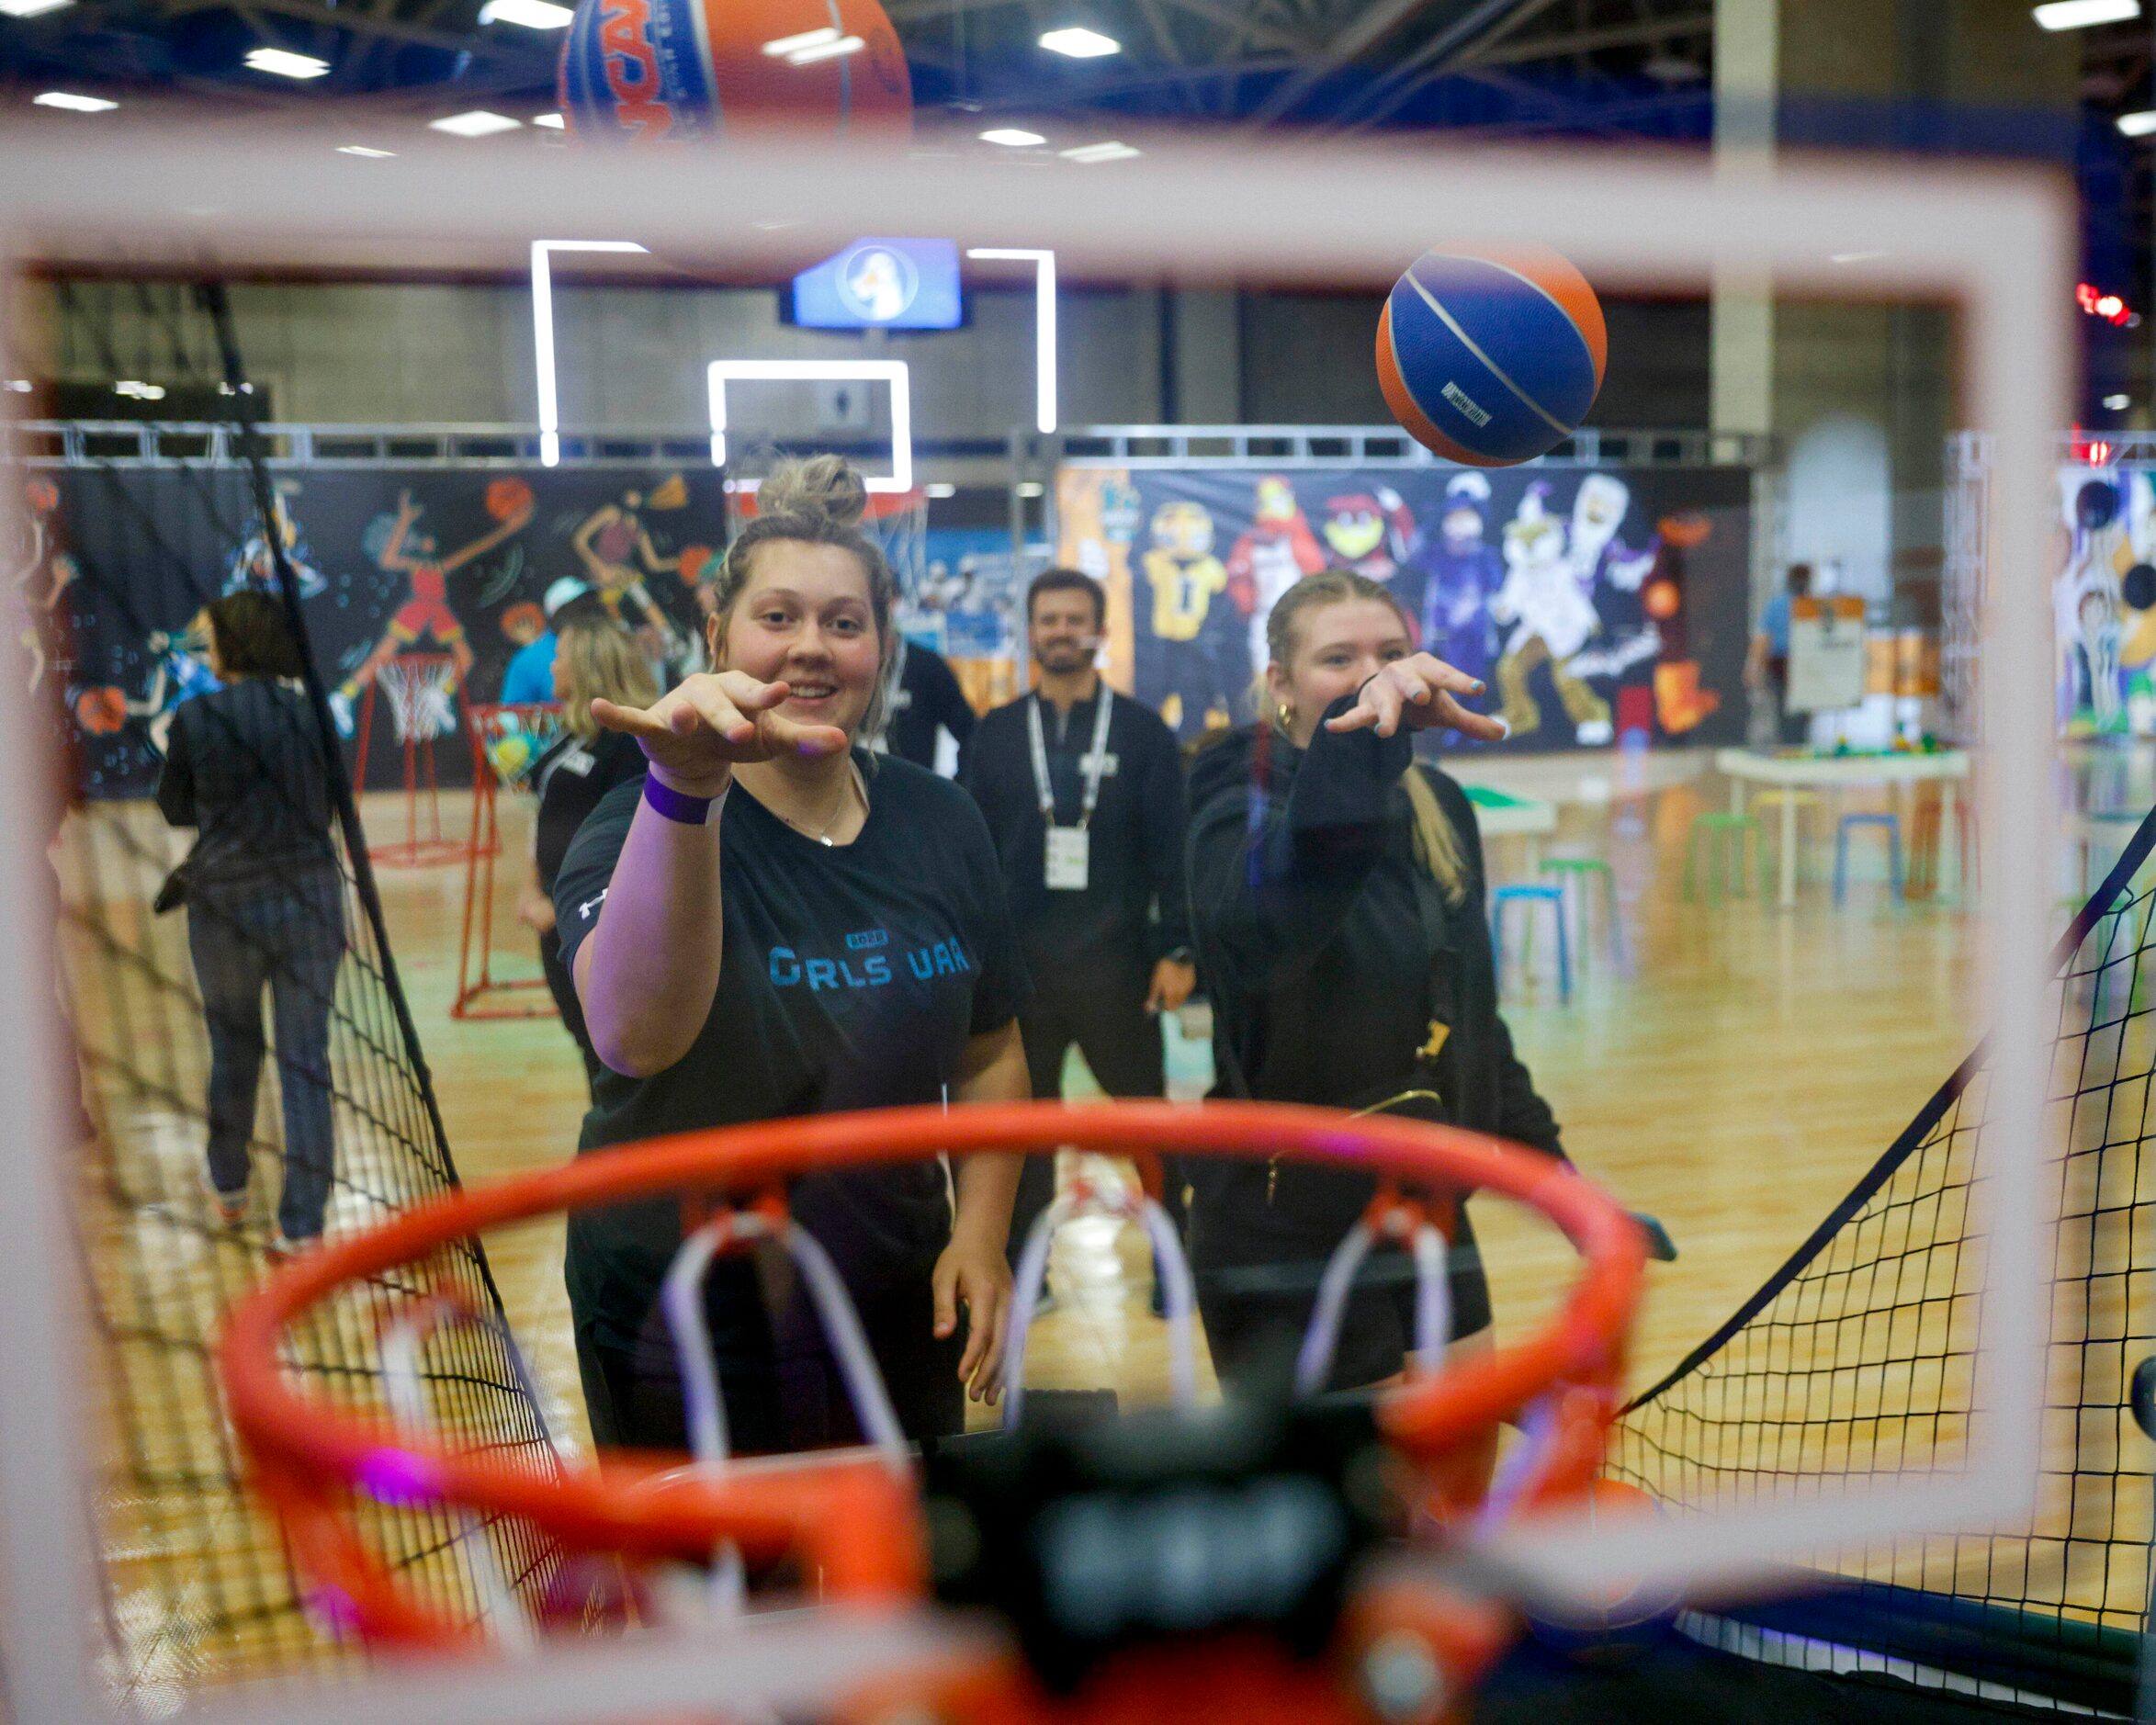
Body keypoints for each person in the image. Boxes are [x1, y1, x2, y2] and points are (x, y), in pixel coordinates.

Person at [552, 455, 1028, 1457]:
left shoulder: (942, 821)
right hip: (682, 1315)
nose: (811, 650)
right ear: (716, 634)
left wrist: (979, 1235)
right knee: (727, 1613)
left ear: (881, 649)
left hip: (892, 1301)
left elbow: (990, 1053)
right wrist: (684, 789)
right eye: (778, 618)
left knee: (896, 1596)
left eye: (844, 624)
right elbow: (634, 1038)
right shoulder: (629, 823)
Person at [1183, 569, 1566, 1404]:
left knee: (1454, 1492)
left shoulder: (1438, 804)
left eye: (1390, 654)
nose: (1373, 677)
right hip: (1287, 1218)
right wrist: (1352, 747)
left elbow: (1471, 1020)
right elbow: (1265, 933)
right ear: (1279, 685)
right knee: (1360, 1518)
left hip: (1423, 1199)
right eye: (1338, 660)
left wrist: (1557, 1177)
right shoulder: (1233, 785)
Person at [961, 569, 1194, 1270]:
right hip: (1018, 971)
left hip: (1117, 968)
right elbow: (969, 855)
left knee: (1144, 1122)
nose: (1061, 631)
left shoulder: (1142, 732)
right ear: (1030, 633)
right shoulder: (996, 734)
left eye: (1074, 619)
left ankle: (1173, 1260)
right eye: (1049, 620)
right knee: (1022, 1134)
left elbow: (1173, 850)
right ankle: (1025, 1270)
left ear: (1099, 631)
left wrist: (1178, 948)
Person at [156, 591, 344, 1254]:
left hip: (225, 907)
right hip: (312, 903)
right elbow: (331, 806)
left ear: (232, 646)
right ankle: (303, 1227)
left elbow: (175, 810)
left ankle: (229, 1184)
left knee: (234, 1050)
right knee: (306, 1062)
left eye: (212, 640)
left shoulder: (195, 716)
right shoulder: (312, 713)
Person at [516, 618, 658, 1095]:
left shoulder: (633, 745)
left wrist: (557, 909)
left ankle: (622, 1160)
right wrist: (531, 887)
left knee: (617, 1061)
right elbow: (547, 815)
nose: (552, 663)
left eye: (561, 654)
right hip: (558, 923)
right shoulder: (574, 734)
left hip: (597, 929)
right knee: (588, 1050)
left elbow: (638, 849)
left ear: (588, 664)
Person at [877, 635, 976, 775]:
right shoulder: (853, 671)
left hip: (916, 786)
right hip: (857, 785)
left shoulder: (927, 666)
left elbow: (969, 731)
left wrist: (960, 786)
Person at [500, 577, 605, 705]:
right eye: (577, 606)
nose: (589, 610)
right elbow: (510, 719)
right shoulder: (529, 660)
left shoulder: (612, 641)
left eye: (590, 601)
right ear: (558, 618)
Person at [1745, 561, 1812, 747]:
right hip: (1785, 663)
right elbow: (1763, 640)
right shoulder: (1786, 605)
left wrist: (1754, 666)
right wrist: (1754, 667)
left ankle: (1793, 743)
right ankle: (1793, 743)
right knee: (1791, 708)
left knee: (1793, 708)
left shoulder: (1809, 606)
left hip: (1797, 663)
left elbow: (1762, 639)